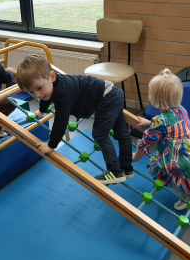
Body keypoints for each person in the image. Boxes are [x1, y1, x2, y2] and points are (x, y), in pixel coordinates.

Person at [17, 54, 134, 185]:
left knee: (100, 134)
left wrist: (51, 145)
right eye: (32, 92)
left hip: (107, 98)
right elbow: (46, 97)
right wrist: (41, 111)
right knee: (122, 134)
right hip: (114, 92)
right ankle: (127, 168)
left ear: (52, 76)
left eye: (39, 88)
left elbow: (61, 122)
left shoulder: (63, 93)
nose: (37, 95)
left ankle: (115, 171)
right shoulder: (51, 85)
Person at [132, 69, 190, 210]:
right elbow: (171, 126)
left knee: (174, 171)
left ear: (158, 101)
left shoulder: (160, 121)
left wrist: (135, 158)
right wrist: (149, 123)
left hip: (182, 159)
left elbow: (146, 143)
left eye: (150, 93)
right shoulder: (180, 109)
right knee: (189, 173)